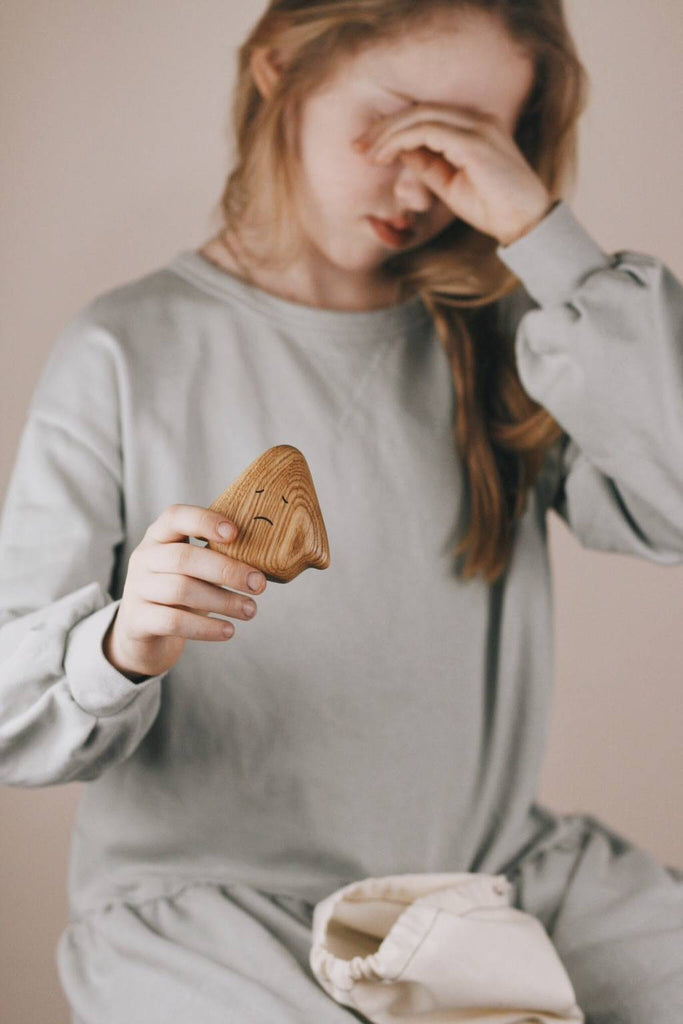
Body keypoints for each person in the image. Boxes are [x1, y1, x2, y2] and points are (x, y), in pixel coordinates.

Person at [1, 1, 681, 1021]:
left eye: (471, 143)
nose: (421, 180)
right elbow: (12, 710)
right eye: (400, 121)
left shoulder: (512, 338)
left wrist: (546, 240)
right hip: (215, 920)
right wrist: (120, 641)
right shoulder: (124, 347)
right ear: (281, 70)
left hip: (488, 881)